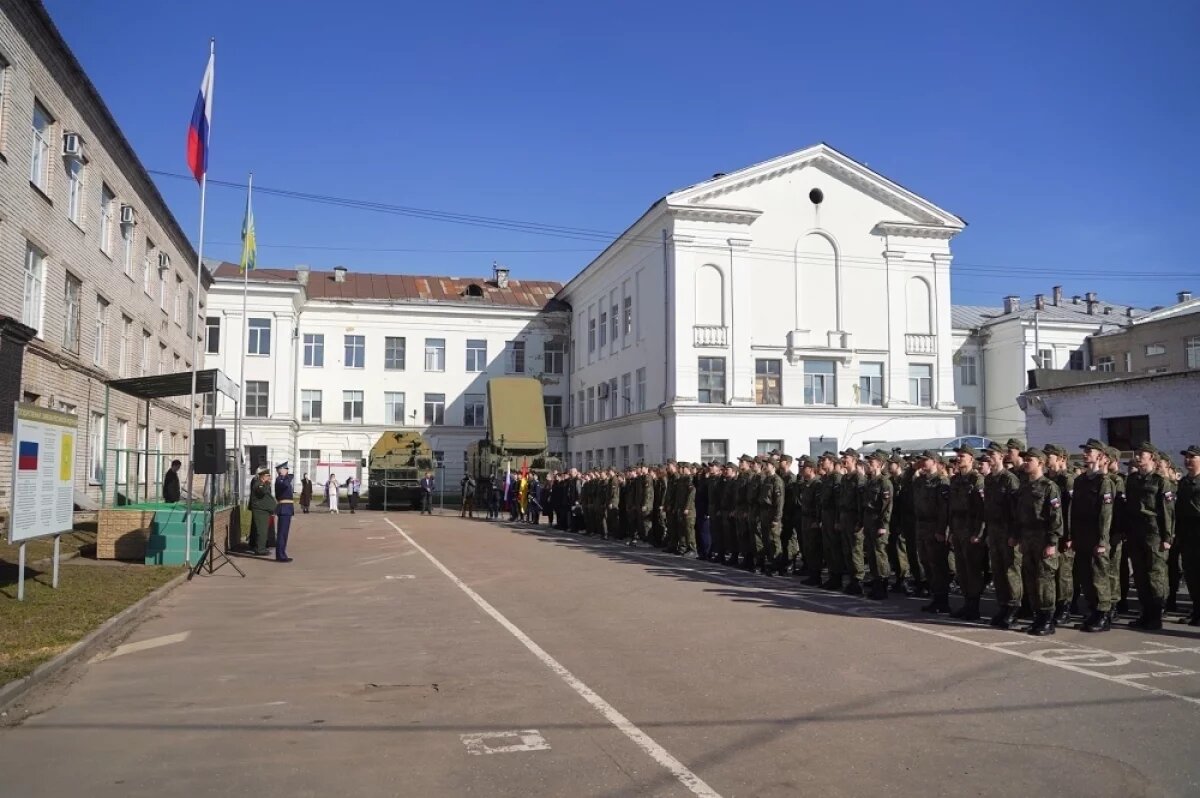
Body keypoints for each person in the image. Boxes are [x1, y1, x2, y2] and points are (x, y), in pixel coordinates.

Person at [1016, 448, 1063, 636]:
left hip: (1043, 537)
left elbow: (1055, 517)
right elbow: (1020, 515)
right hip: (1028, 538)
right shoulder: (1024, 487)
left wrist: (1052, 542)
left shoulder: (1049, 486)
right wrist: (1020, 537)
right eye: (1025, 460)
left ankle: (1047, 620)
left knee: (1045, 580)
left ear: (1041, 463)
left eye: (1030, 460)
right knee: (1031, 579)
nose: (1025, 463)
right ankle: (1037, 617)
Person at [249, 466, 277, 555]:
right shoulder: (258, 484)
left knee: (263, 531)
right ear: (263, 476)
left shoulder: (262, 483)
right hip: (260, 511)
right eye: (268, 476)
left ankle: (262, 547)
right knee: (261, 531)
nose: (269, 477)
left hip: (264, 511)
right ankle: (260, 549)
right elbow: (262, 492)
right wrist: (267, 483)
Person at [274, 462, 295, 563]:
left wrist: (286, 477)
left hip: (287, 508)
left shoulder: (284, 479)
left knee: (284, 534)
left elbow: (290, 478)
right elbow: (285, 485)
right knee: (282, 533)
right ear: (280, 470)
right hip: (284, 508)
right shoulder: (280, 480)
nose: (287, 471)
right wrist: (283, 476)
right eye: (285, 469)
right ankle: (280, 555)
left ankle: (282, 553)